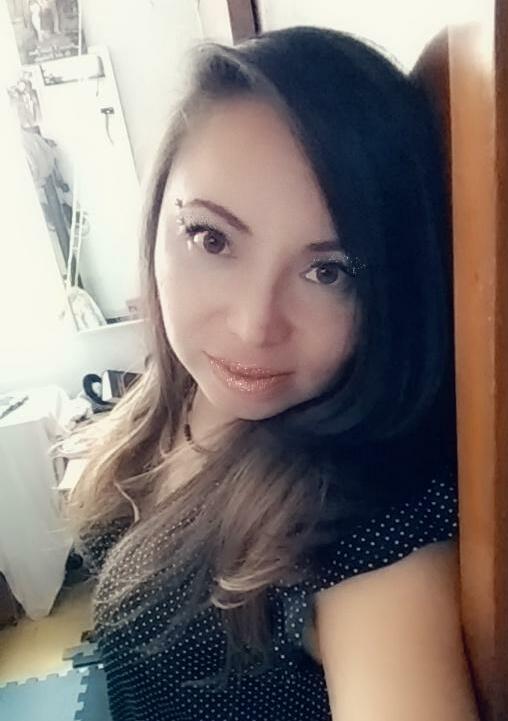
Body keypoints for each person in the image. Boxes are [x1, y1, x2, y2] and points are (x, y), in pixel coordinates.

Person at [67, 26, 480, 721]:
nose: (255, 325)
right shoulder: (175, 398)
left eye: (329, 271)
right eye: (212, 238)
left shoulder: (364, 521)